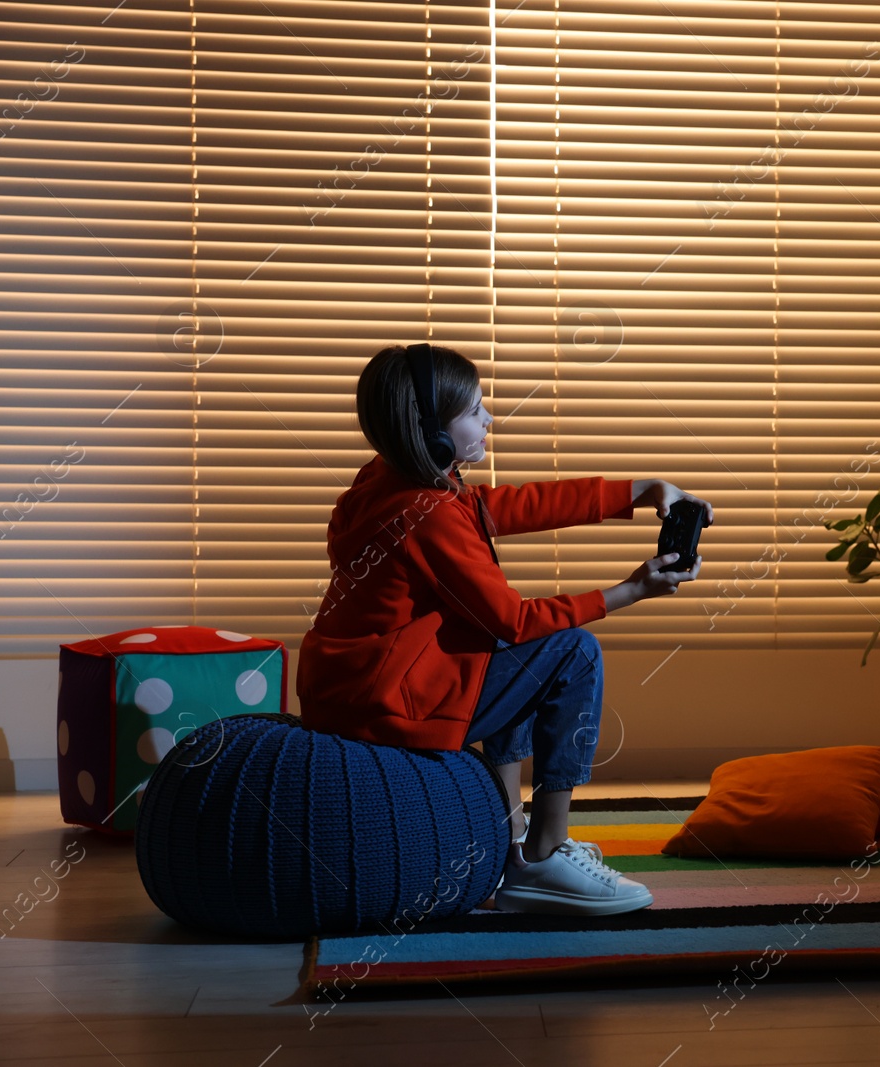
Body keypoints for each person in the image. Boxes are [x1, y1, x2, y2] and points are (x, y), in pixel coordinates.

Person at [297, 342, 710, 917]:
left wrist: (638, 491)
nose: (490, 418)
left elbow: (508, 506)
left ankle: (512, 844)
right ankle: (544, 853)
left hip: (357, 688)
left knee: (509, 652)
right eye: (474, 411)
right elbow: (513, 620)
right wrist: (631, 590)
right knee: (570, 652)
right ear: (430, 432)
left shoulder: (385, 483)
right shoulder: (429, 513)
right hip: (385, 706)